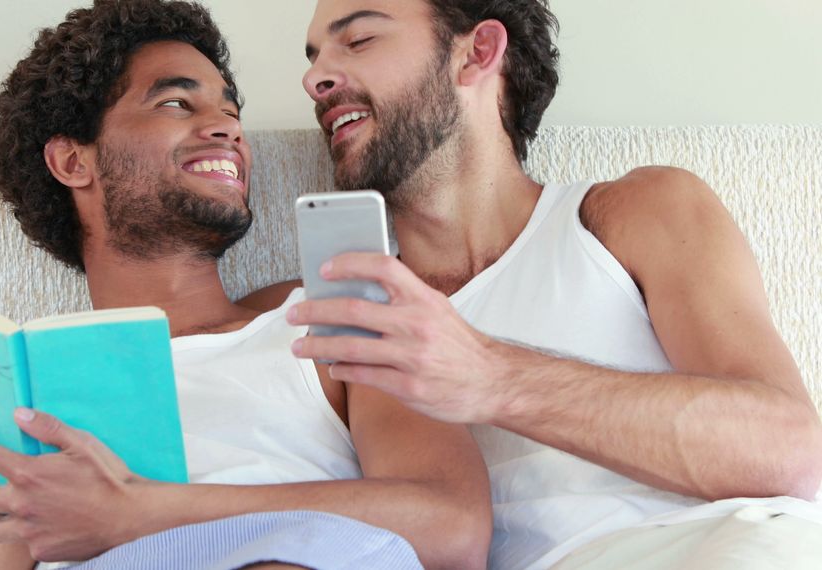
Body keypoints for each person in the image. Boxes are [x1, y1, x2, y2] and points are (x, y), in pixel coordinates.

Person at [0, 1, 491, 569]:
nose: (227, 127)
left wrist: (142, 513)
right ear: (75, 163)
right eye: (177, 102)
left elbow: (452, 524)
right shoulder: (13, 381)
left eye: (230, 110)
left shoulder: (335, 312)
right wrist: (20, 526)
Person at [266, 0, 822, 568]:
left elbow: (789, 452)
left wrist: (490, 375)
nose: (314, 79)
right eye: (312, 59)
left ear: (477, 53)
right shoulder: (339, 320)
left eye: (358, 41)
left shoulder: (632, 213)